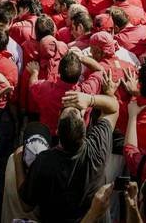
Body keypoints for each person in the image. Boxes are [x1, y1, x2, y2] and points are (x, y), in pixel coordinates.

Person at [20, 88, 119, 223]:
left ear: (57, 131)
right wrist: (90, 99)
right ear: (85, 127)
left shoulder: (44, 161)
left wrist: (17, 162)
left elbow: (26, 205)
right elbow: (113, 107)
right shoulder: (96, 150)